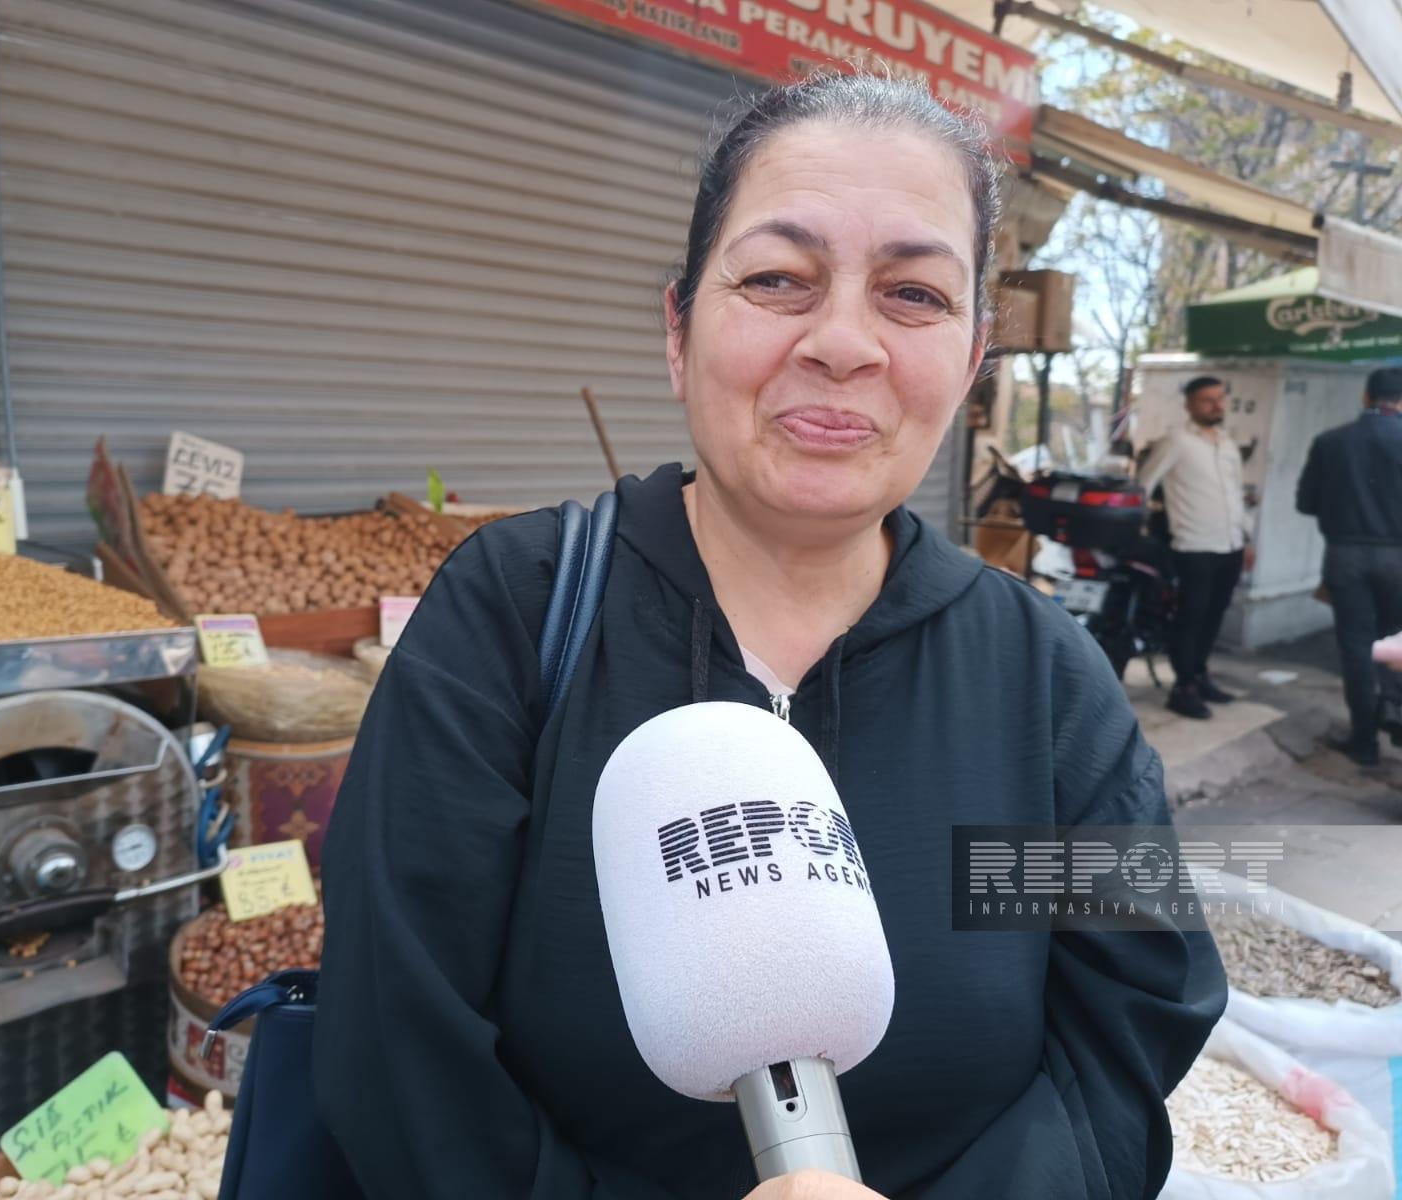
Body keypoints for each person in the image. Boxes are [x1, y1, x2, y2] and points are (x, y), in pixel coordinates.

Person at [315, 73, 1224, 1200]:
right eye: (777, 279)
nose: (842, 343)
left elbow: (1129, 1023)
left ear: (971, 358)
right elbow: (397, 1044)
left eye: (913, 294)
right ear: (677, 328)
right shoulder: (513, 611)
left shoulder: (1044, 679)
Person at [1296, 367, 1402, 767]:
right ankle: (1393, 710)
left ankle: (1364, 741)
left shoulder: (1330, 441)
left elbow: (1305, 503)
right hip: (1399, 559)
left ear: (1366, 397)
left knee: (1357, 646)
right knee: (1396, 641)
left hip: (1344, 557)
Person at [1137, 377, 1255, 720]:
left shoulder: (1227, 444)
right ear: (1189, 405)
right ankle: (1183, 687)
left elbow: (1236, 495)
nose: (1217, 406)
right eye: (1207, 400)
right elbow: (1143, 485)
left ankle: (1200, 676)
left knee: (1214, 615)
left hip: (1230, 544)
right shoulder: (1176, 441)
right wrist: (1142, 530)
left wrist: (1247, 538)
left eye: (1220, 399)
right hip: (1193, 545)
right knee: (1191, 617)